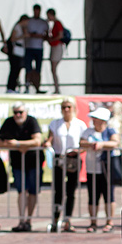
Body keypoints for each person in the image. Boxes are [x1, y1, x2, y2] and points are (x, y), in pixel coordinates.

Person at [0, 101, 44, 232]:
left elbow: (37, 140)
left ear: (26, 112)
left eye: (21, 112)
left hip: (34, 161)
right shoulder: (9, 122)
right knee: (21, 191)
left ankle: (29, 220)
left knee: (33, 191)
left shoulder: (32, 121)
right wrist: (12, 145)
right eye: (16, 112)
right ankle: (21, 220)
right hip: (17, 163)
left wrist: (18, 144)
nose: (18, 115)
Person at [45, 96, 86, 232]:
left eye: (69, 107)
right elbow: (49, 140)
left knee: (71, 191)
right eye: (64, 107)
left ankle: (67, 219)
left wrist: (77, 151)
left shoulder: (80, 124)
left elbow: (84, 143)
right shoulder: (55, 124)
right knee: (58, 190)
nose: (66, 110)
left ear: (74, 108)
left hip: (73, 159)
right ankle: (55, 218)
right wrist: (46, 144)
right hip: (59, 158)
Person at [80, 107, 120, 232]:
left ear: (103, 120)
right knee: (93, 196)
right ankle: (93, 222)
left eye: (96, 119)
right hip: (92, 169)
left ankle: (109, 221)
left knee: (109, 195)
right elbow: (82, 142)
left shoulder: (110, 131)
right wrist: (91, 145)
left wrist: (102, 144)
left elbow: (115, 142)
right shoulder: (89, 132)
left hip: (107, 168)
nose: (93, 120)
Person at [24, 4, 48, 93]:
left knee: (38, 69)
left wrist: (39, 36)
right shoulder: (29, 21)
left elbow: (46, 35)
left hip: (39, 48)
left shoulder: (43, 22)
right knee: (28, 68)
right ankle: (27, 86)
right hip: (29, 47)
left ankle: (37, 87)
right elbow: (26, 33)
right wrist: (34, 35)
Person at [6, 14, 28, 93]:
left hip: (20, 51)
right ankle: (10, 87)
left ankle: (14, 86)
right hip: (15, 51)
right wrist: (23, 36)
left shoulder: (22, 28)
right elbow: (12, 39)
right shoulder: (17, 27)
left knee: (18, 69)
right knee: (14, 69)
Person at [46, 8, 65, 95]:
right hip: (54, 46)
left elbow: (60, 35)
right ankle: (56, 88)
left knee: (53, 68)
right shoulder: (54, 24)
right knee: (53, 69)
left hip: (57, 46)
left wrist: (52, 39)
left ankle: (57, 88)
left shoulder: (57, 23)